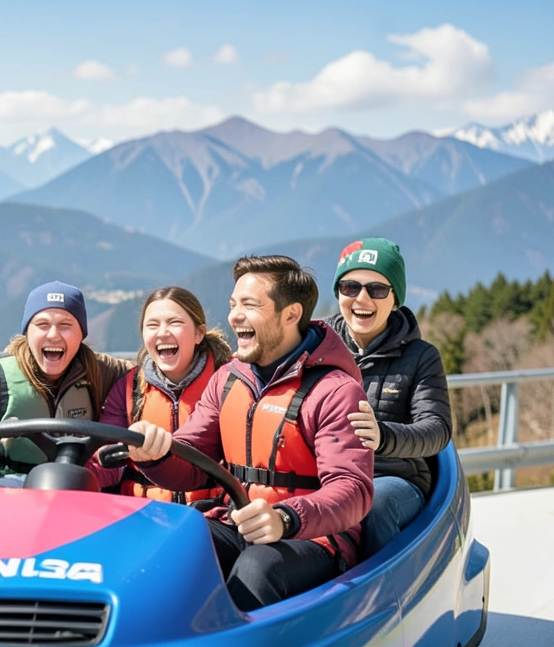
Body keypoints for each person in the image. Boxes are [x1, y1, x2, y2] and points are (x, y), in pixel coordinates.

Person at [127, 256, 374, 611]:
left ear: (290, 315)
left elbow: (353, 490)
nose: (233, 317)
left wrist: (286, 518)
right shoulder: (227, 379)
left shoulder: (336, 390)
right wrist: (156, 454)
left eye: (249, 305)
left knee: (258, 567)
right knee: (174, 544)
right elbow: (192, 460)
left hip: (315, 537)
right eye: (232, 305)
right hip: (237, 521)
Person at [323, 238, 451, 558]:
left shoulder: (422, 357)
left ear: (395, 298)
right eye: (350, 287)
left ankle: (381, 598)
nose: (361, 298)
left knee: (373, 504)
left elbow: (437, 429)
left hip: (393, 478)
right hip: (327, 470)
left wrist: (383, 436)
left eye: (377, 290)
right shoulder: (316, 347)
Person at [0, 281, 133, 477]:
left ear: (81, 334)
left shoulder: (103, 371)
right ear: (27, 332)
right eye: (42, 325)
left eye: (65, 325)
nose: (53, 335)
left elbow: (147, 378)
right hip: (10, 488)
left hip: (80, 487)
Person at [90, 286, 233, 503]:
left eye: (174, 323)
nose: (162, 332)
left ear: (199, 333)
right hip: (142, 511)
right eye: (152, 325)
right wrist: (78, 478)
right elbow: (106, 460)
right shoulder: (129, 389)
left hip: (210, 513)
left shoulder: (228, 383)